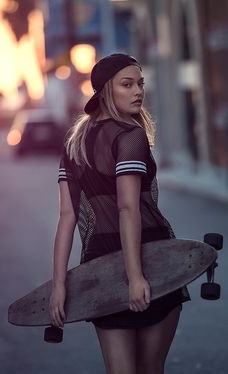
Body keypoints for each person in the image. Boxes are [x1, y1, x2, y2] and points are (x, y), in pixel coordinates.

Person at [49, 53, 190, 374]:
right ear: (104, 92)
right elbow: (128, 207)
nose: (138, 91)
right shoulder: (130, 135)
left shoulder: (75, 142)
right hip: (151, 259)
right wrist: (136, 276)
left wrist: (59, 285)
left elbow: (66, 218)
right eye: (127, 84)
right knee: (150, 368)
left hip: (99, 265)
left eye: (140, 83)